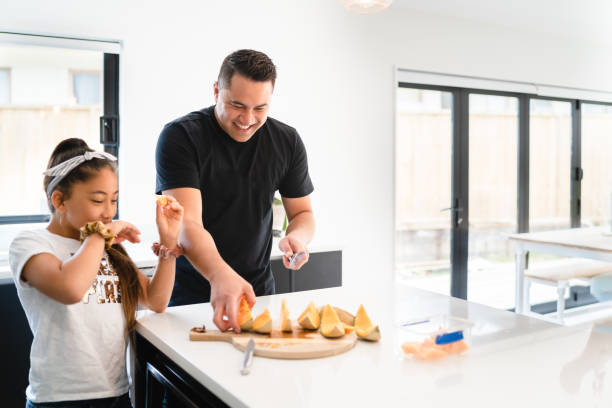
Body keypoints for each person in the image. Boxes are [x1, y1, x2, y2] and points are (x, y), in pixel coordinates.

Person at [9, 138, 184, 408]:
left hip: (114, 393)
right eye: (98, 200)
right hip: (58, 399)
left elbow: (154, 299)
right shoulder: (30, 244)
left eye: (113, 200)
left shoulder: (105, 247)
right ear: (59, 200)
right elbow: (70, 289)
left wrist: (168, 243)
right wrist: (100, 236)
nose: (109, 212)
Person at [155, 49, 315, 332]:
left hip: (258, 294)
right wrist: (219, 275)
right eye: (237, 105)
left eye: (260, 108)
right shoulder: (181, 137)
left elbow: (302, 213)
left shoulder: (287, 142)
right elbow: (187, 222)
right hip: (191, 299)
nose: (247, 119)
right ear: (216, 90)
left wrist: (298, 238)